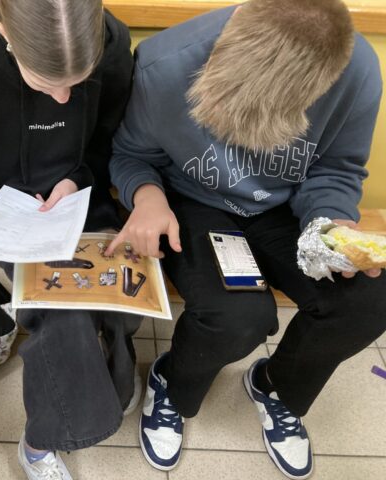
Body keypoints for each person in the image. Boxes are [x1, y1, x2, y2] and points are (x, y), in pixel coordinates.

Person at [107, 0, 385, 478]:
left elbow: (337, 169)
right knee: (236, 316)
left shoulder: (357, 70)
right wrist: (147, 198)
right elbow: (130, 154)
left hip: (289, 208)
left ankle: (276, 385)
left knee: (368, 299)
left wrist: (332, 225)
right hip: (195, 203)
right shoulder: (164, 64)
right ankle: (171, 383)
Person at [0, 1, 139, 478]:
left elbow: (110, 140)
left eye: (77, 84)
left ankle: (115, 381)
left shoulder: (112, 43)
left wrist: (77, 178)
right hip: (7, 209)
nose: (63, 99)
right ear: (5, 33)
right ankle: (41, 443)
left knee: (122, 288)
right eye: (45, 83)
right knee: (61, 313)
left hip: (80, 195)